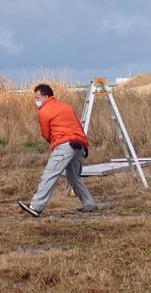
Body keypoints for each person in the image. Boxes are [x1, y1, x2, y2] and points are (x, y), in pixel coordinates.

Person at [18, 84, 98, 217]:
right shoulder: (66, 106)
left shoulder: (44, 111)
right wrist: (85, 144)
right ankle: (89, 204)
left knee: (49, 175)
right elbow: (77, 125)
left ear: (46, 96)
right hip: (79, 144)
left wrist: (55, 144)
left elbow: (45, 133)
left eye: (37, 97)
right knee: (74, 177)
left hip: (64, 145)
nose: (36, 100)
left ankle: (36, 206)